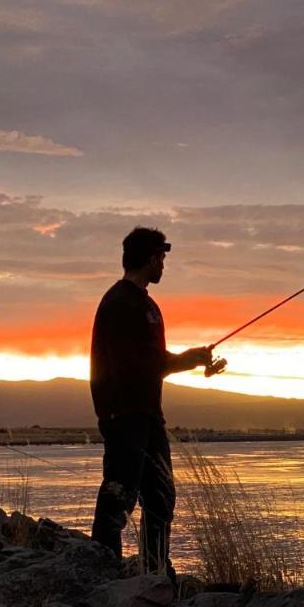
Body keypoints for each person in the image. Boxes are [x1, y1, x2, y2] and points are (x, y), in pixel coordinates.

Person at [90, 226, 226, 580]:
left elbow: (155, 363)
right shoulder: (117, 303)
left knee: (161, 497)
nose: (164, 264)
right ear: (150, 258)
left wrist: (191, 358)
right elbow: (133, 366)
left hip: (150, 416)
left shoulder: (149, 306)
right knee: (119, 497)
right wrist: (185, 359)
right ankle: (100, 572)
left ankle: (154, 571)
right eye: (162, 258)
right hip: (124, 416)